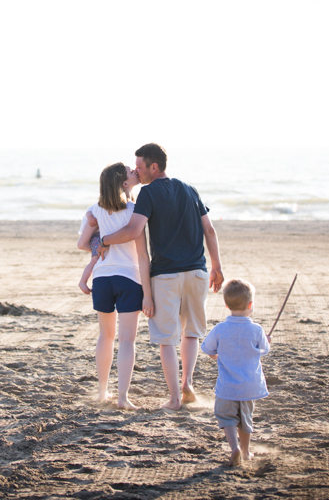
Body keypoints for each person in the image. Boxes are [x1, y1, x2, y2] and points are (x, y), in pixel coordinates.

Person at [98, 143, 224, 410]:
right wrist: (217, 266)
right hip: (197, 272)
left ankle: (175, 398)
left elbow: (133, 230)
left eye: (140, 166)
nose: (137, 171)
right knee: (191, 333)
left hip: (166, 276)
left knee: (167, 339)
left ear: (153, 167)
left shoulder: (148, 192)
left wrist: (104, 240)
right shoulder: (190, 189)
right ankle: (187, 384)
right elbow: (210, 230)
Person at [77, 163, 153, 410]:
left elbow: (82, 244)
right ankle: (122, 397)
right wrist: (148, 292)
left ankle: (102, 391)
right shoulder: (134, 212)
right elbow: (142, 255)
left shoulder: (94, 210)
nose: (134, 172)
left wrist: (100, 242)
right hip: (128, 277)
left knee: (105, 336)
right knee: (127, 341)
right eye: (130, 172)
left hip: (102, 278)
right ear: (123, 183)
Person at [200, 279, 271, 466]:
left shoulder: (220, 329)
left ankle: (234, 448)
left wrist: (215, 355)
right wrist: (267, 340)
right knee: (245, 419)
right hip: (249, 386)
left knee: (227, 418)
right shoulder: (256, 329)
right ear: (250, 305)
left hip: (227, 387)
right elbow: (264, 350)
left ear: (226, 305)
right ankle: (246, 452)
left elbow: (207, 348)